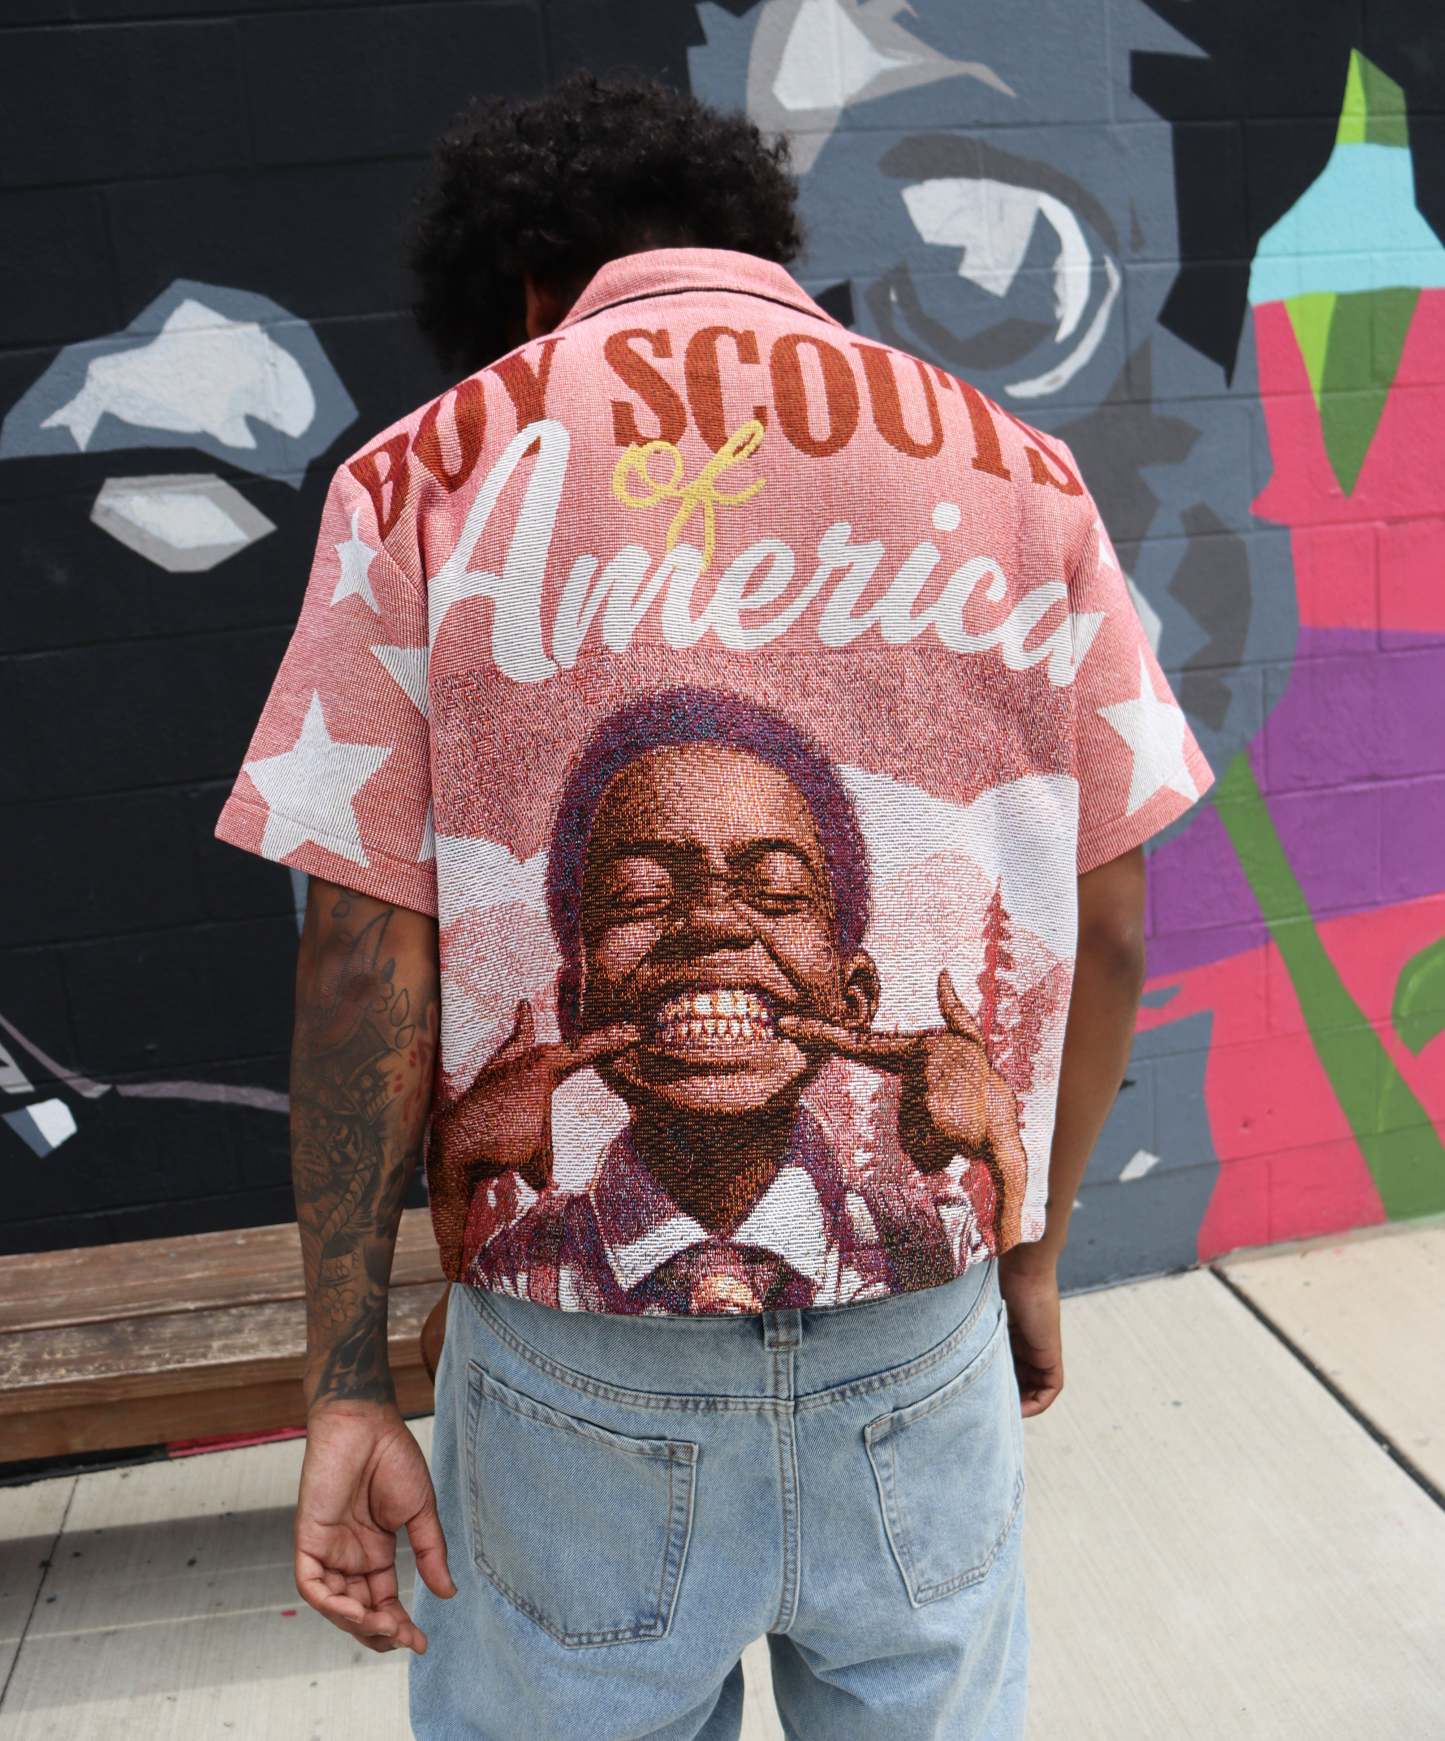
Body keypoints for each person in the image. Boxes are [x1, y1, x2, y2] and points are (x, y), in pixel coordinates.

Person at [215, 72, 1212, 1741]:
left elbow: (355, 961)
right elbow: (1108, 920)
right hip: (923, 1346)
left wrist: (344, 1383)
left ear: (522, 285)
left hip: (569, 1377)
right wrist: (1029, 1249)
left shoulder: (417, 480)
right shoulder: (1022, 471)